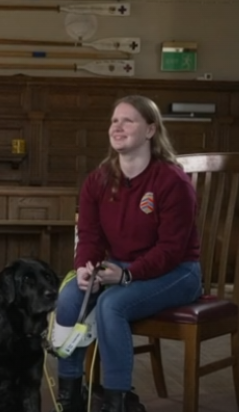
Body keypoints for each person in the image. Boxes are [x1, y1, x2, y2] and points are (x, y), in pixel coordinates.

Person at [53, 95, 202, 412]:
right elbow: (90, 236)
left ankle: (117, 400)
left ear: (150, 130)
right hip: (121, 266)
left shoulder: (172, 180)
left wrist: (127, 275)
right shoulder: (98, 180)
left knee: (111, 304)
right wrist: (86, 269)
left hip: (178, 272)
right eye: (113, 120)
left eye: (128, 120)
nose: (117, 126)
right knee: (68, 297)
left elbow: (172, 250)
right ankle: (70, 397)